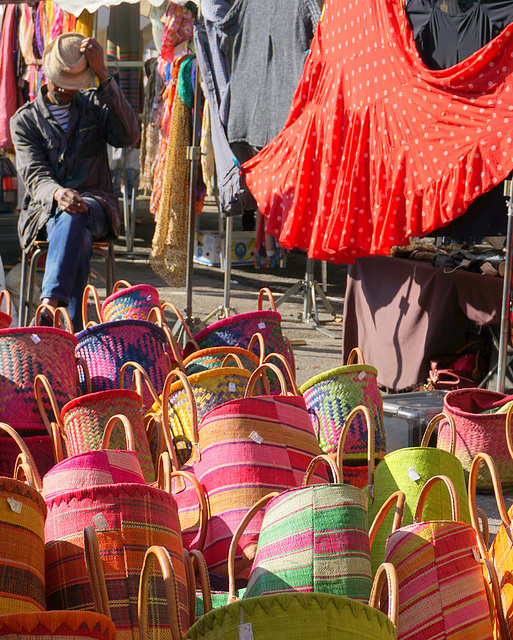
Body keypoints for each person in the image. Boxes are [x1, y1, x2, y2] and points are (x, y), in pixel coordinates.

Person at [10, 32, 140, 330]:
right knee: (75, 225)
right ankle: (75, 325)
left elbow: (129, 135)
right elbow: (35, 176)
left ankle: (50, 307)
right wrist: (59, 194)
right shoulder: (25, 120)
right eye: (62, 84)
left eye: (74, 85)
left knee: (78, 212)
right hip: (46, 212)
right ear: (48, 75)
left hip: (96, 204)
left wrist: (104, 76)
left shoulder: (95, 105)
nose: (68, 91)